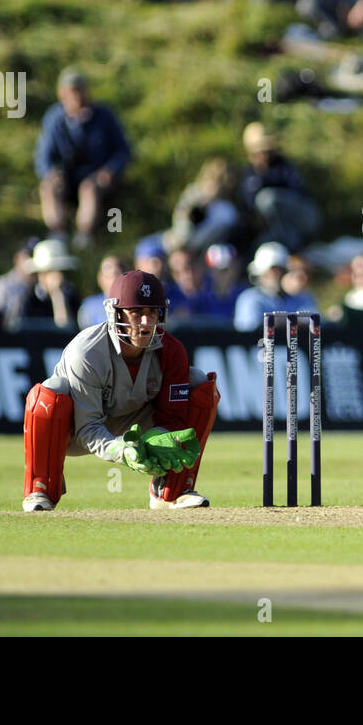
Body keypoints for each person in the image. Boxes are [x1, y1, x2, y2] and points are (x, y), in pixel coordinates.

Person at [21, 269, 221, 512]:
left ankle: (173, 491)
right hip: (73, 429)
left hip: (134, 421)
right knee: (48, 393)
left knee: (200, 383)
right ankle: (40, 488)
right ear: (114, 313)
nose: (146, 323)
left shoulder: (172, 350)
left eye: (152, 312)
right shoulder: (87, 352)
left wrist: (157, 441)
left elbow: (173, 418)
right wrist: (121, 451)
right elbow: (87, 428)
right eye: (136, 313)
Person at [35, 67, 132, 248]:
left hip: (97, 177)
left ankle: (84, 235)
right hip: (67, 177)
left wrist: (111, 170)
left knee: (89, 188)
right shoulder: (54, 118)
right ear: (62, 93)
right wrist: (50, 173)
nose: (79, 96)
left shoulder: (105, 116)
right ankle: (57, 233)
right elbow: (43, 155)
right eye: (73, 91)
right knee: (48, 187)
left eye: (82, 89)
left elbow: (123, 150)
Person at [238, 122, 320, 252]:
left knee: (267, 199)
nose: (265, 154)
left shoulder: (284, 167)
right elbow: (248, 206)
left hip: (304, 217)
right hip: (272, 227)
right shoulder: (249, 174)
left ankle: (293, 244)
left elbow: (299, 193)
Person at [78, 253, 125, 329]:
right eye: (109, 274)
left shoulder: (134, 303)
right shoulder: (89, 306)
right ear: (100, 278)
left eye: (117, 273)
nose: (114, 279)